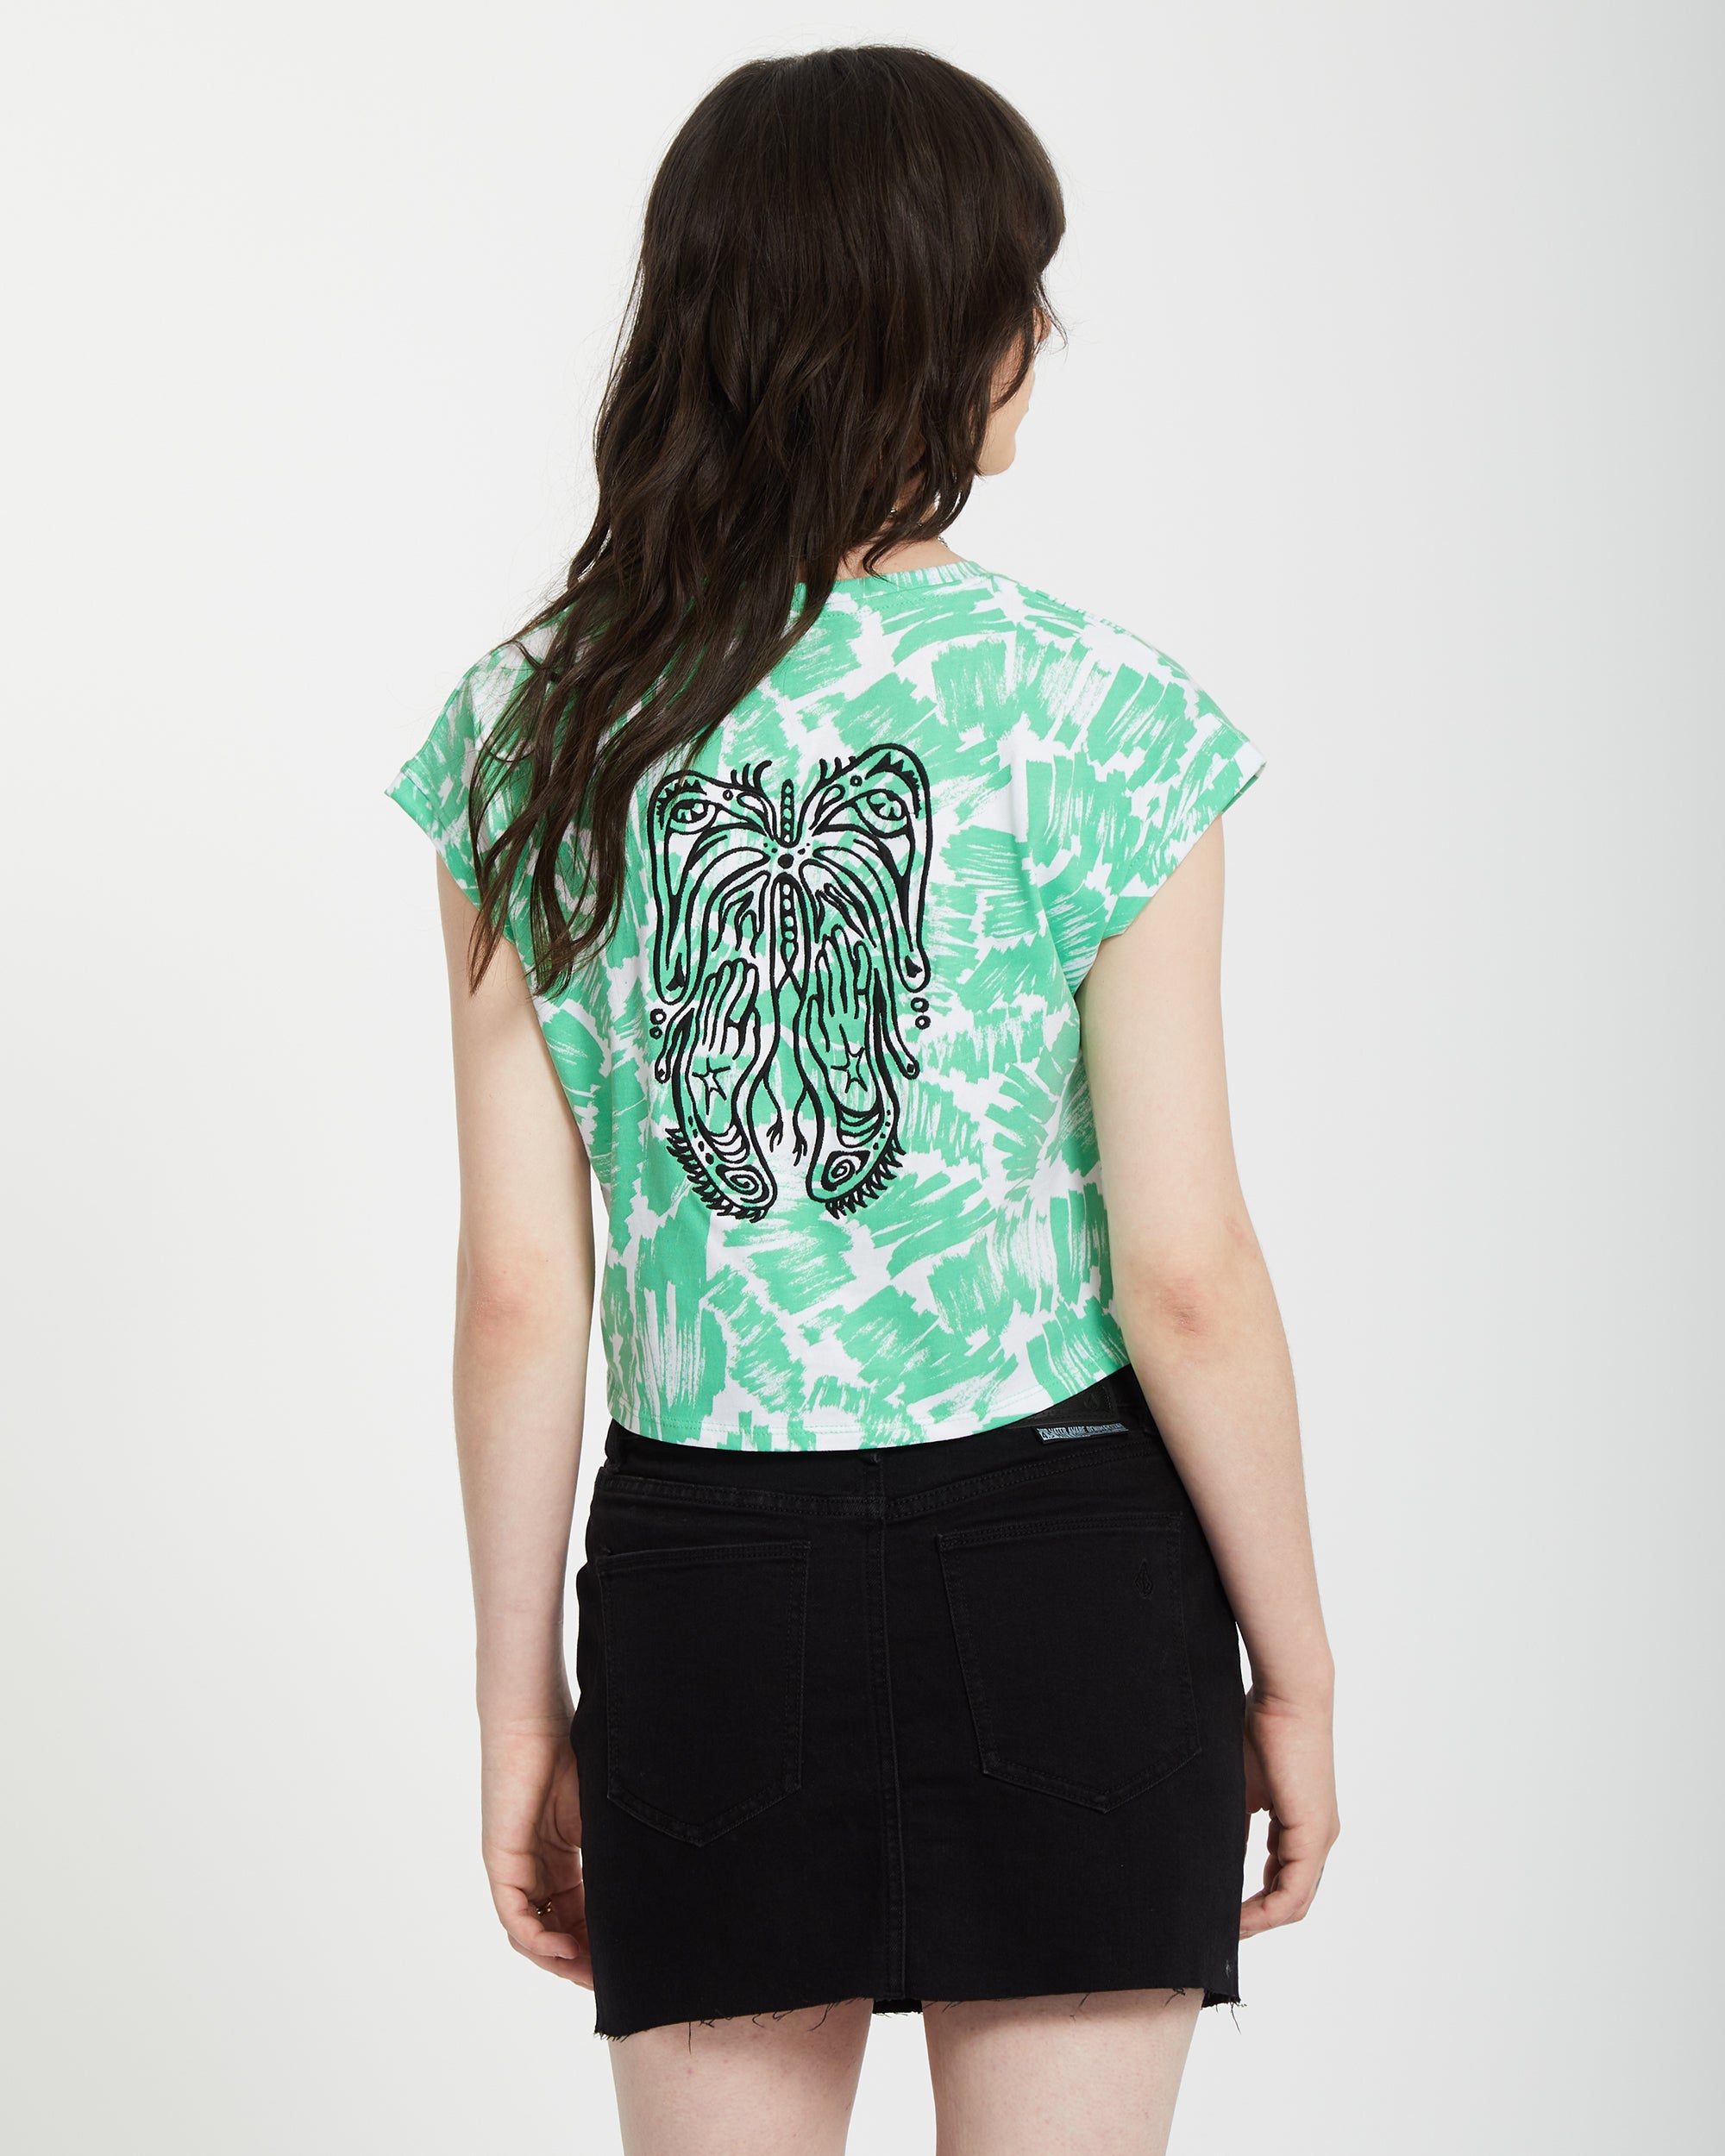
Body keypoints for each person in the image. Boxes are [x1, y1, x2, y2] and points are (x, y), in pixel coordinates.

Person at [387, 43, 1338, 2156]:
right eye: (1017, 293)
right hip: (1073, 1554)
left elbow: (523, 1292)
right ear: (925, 325)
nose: (1038, 342)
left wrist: (517, 1704)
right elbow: (1184, 1269)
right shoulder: (1101, 714)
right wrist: (1294, 1660)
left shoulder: (534, 737)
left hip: (709, 1577)